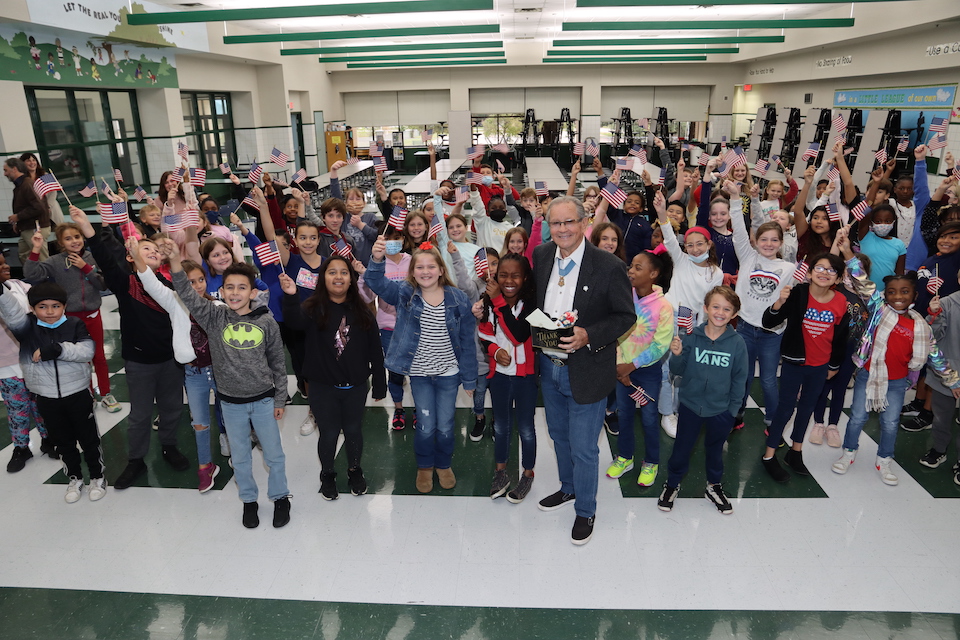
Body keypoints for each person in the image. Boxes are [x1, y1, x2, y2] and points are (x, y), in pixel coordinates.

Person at [165, 239, 292, 529]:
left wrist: (280, 399)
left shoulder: (266, 322)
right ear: (221, 291)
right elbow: (185, 292)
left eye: (242, 287)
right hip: (231, 403)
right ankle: (249, 500)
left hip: (263, 400)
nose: (235, 293)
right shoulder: (213, 316)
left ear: (252, 291)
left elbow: (278, 364)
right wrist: (175, 261)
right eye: (230, 288)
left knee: (274, 455)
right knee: (241, 457)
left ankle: (281, 497)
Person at [533, 196, 634, 545]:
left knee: (584, 447)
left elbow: (625, 316)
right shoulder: (542, 255)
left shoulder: (607, 265)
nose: (562, 229)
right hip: (550, 365)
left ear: (584, 221)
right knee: (559, 436)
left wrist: (588, 334)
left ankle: (586, 509)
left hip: (589, 368)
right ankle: (569, 489)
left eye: (568, 222)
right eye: (555, 223)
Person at [71, 205, 190, 490]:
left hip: (170, 360)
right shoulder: (126, 283)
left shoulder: (166, 285)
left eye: (154, 251)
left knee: (172, 408)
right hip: (139, 361)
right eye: (144, 249)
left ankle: (169, 446)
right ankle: (135, 460)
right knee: (139, 415)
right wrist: (89, 229)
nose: (151, 252)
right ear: (131, 255)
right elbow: (105, 260)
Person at [832, 239, 960, 485]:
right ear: (884, 294)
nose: (898, 296)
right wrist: (848, 251)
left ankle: (884, 460)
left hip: (898, 382)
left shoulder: (920, 326)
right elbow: (862, 280)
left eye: (904, 292)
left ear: (914, 294)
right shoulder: (879, 309)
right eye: (891, 292)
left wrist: (953, 381)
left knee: (890, 422)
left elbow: (935, 356)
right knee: (857, 417)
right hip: (868, 375)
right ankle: (849, 453)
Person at [364, 238, 478, 494]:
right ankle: (425, 466)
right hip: (420, 374)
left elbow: (467, 343)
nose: (425, 272)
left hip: (449, 374)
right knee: (426, 426)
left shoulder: (458, 299)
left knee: (446, 425)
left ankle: (444, 465)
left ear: (440, 269)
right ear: (412, 271)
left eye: (431, 266)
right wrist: (377, 259)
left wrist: (469, 379)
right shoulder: (405, 294)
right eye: (419, 267)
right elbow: (376, 283)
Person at [280, 256, 386, 500]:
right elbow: (293, 322)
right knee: (327, 433)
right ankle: (327, 473)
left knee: (353, 430)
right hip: (322, 386)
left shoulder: (364, 313)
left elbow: (375, 352)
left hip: (355, 387)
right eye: (332, 272)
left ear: (351, 279)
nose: (338, 277)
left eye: (344, 272)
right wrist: (290, 295)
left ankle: (354, 469)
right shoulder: (311, 308)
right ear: (323, 278)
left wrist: (380, 383)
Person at [0, 281, 104, 503]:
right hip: (46, 397)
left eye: (55, 306)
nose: (49, 312)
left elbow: (87, 350)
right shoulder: (26, 327)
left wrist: (58, 349)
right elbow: (10, 309)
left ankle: (97, 476)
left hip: (77, 393)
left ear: (64, 306)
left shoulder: (75, 324)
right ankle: (74, 478)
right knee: (62, 441)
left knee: (89, 439)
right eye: (42, 307)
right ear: (32, 309)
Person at [133, 252, 221, 493]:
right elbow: (150, 282)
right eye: (189, 281)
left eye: (200, 280)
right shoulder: (174, 301)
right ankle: (205, 466)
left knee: (229, 418)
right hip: (194, 374)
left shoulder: (218, 305)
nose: (196, 285)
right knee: (200, 423)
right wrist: (136, 257)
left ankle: (233, 447)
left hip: (222, 372)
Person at [760, 252, 850, 482]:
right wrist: (779, 301)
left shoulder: (840, 302)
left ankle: (795, 451)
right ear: (809, 273)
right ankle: (769, 455)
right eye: (819, 268)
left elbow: (840, 337)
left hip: (820, 366)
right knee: (785, 409)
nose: (824, 273)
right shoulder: (798, 293)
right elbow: (768, 322)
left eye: (831, 270)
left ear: (838, 279)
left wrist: (834, 364)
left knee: (807, 409)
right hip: (795, 362)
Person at [658, 286, 748, 514]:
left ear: (734, 314)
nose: (720, 312)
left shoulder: (737, 343)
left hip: (721, 410)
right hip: (690, 406)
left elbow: (740, 379)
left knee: (715, 450)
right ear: (706, 309)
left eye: (727, 309)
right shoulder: (692, 337)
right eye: (716, 307)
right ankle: (672, 484)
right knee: (681, 448)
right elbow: (677, 371)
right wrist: (677, 355)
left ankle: (714, 486)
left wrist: (732, 411)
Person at [24, 223, 116, 412]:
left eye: (77, 236)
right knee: (78, 358)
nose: (74, 241)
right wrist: (35, 248)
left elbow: (104, 285)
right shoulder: (55, 262)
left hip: (92, 315)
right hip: (70, 320)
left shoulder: (92, 257)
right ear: (60, 242)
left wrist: (86, 268)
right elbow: (31, 274)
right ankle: (87, 393)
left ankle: (106, 393)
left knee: (98, 355)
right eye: (68, 238)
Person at [606, 247, 674, 488]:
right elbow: (612, 330)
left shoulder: (663, 307)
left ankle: (651, 462)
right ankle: (625, 457)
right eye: (631, 266)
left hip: (646, 372)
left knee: (647, 418)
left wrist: (631, 366)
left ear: (653, 274)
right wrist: (619, 366)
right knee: (623, 415)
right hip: (620, 368)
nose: (631, 271)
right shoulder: (624, 296)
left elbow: (660, 346)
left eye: (638, 267)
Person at [475, 252, 538, 503]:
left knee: (526, 429)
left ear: (525, 278)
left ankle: (528, 473)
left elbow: (519, 334)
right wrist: (494, 350)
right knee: (501, 426)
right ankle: (500, 472)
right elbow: (485, 334)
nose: (509, 280)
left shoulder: (531, 305)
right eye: (503, 275)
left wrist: (499, 301)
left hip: (525, 379)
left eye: (515, 276)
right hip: (500, 377)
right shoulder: (489, 303)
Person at [0, 251, 53, 472]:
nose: (5, 267)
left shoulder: (20, 287)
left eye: (4, 263)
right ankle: (21, 447)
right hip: (6, 363)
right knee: (17, 407)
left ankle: (50, 440)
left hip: (33, 357)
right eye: (0, 265)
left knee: (41, 403)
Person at [923, 271, 960, 483]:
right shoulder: (945, 303)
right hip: (945, 372)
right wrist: (933, 315)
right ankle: (939, 449)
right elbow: (932, 338)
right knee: (941, 417)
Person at [4, 157, 51, 263]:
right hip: (27, 226)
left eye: (6, 170)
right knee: (24, 254)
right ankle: (32, 277)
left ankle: (48, 277)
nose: (4, 174)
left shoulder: (27, 184)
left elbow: (38, 207)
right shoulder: (21, 186)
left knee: (41, 257)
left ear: (14, 169)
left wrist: (18, 217)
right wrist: (18, 221)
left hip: (35, 227)